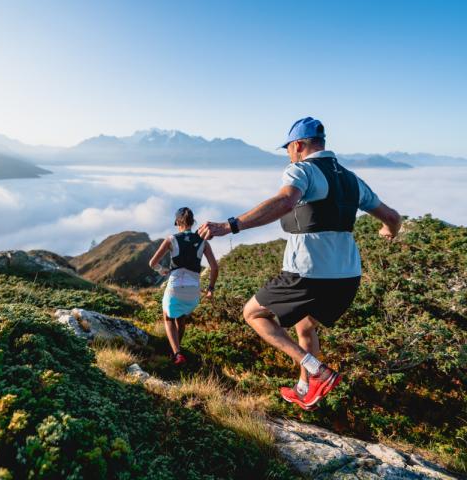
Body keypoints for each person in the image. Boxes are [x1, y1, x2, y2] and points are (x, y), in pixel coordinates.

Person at [198, 117, 401, 409]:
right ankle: (305, 390)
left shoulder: (302, 170)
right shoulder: (353, 180)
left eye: (288, 149)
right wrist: (388, 232)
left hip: (308, 272)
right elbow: (392, 218)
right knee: (305, 326)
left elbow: (284, 202)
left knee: (254, 314)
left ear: (298, 146)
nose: (288, 155)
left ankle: (317, 371)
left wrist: (230, 226)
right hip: (347, 277)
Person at [149, 207, 219, 365]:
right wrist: (210, 289)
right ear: (193, 222)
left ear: (176, 222)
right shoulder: (203, 242)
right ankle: (176, 349)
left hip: (175, 285)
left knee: (168, 316)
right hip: (193, 289)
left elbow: (152, 263)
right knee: (180, 318)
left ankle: (176, 353)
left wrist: (162, 270)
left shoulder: (171, 239)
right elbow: (214, 268)